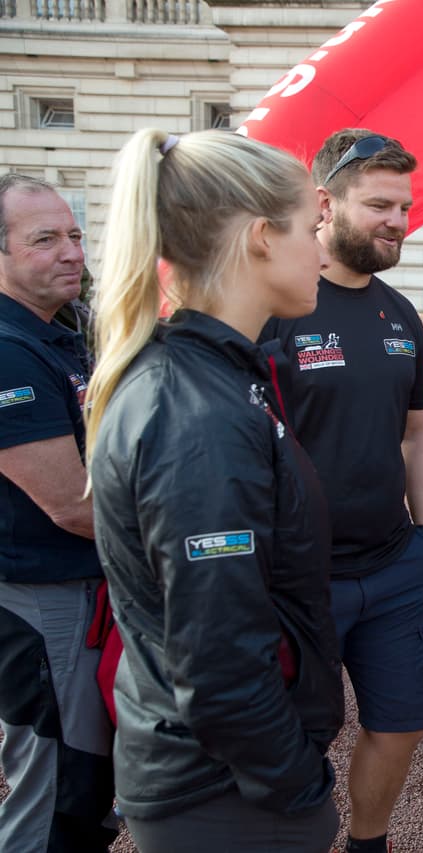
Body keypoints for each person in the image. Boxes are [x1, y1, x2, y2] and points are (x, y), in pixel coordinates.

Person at [83, 129, 343, 851]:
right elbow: (219, 658)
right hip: (224, 795)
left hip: (217, 779)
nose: (323, 252)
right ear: (262, 237)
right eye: (311, 228)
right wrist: (298, 788)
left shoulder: (213, 376)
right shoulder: (197, 412)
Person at [259, 128, 423, 853]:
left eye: (404, 205)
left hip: (395, 569)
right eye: (380, 205)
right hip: (299, 579)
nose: (398, 219)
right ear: (325, 203)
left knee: (401, 724)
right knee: (296, 735)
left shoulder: (399, 314)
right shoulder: (278, 308)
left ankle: (370, 844)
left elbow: (420, 430)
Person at [0, 174, 115, 852]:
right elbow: (73, 506)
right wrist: (190, 531)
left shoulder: (57, 331)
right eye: (44, 240)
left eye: (73, 235)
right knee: (54, 794)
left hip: (82, 595)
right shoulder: (9, 349)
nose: (71, 252)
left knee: (90, 789)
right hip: (45, 604)